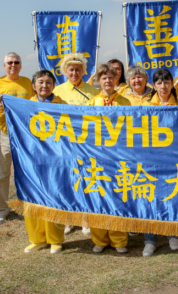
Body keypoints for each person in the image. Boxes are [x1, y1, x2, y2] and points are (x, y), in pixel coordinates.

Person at [0, 70, 66, 253]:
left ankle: (55, 239)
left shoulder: (62, 105)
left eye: (48, 82)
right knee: (31, 198)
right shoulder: (24, 106)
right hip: (30, 160)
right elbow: (6, 126)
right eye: (40, 82)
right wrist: (1, 109)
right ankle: (37, 239)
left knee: (54, 198)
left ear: (54, 85)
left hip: (54, 160)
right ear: (34, 86)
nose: (44, 86)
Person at [86, 63, 130, 254]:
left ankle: (119, 240)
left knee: (119, 196)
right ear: (98, 81)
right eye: (104, 78)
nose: (108, 81)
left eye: (111, 77)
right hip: (98, 157)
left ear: (116, 79)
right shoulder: (91, 103)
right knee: (98, 196)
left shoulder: (126, 102)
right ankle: (99, 239)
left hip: (120, 157)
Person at [53, 53, 99, 235]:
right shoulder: (57, 91)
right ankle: (68, 219)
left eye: (78, 69)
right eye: (71, 69)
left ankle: (86, 219)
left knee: (86, 179)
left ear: (83, 71)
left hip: (87, 143)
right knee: (68, 180)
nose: (74, 72)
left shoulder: (92, 90)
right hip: (65, 143)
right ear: (65, 71)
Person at [142, 69, 178, 256]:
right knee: (149, 198)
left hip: (174, 159)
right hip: (150, 159)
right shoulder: (144, 105)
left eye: (166, 82)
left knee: (171, 195)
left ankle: (172, 234)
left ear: (172, 84)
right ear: (154, 85)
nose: (163, 86)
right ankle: (150, 240)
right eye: (159, 83)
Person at [0, 52, 34, 225]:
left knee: (25, 172)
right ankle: (2, 210)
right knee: (2, 173)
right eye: (9, 62)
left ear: (21, 65)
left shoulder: (27, 83)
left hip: (25, 134)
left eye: (16, 62)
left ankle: (25, 207)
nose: (13, 65)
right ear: (4, 65)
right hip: (4, 133)